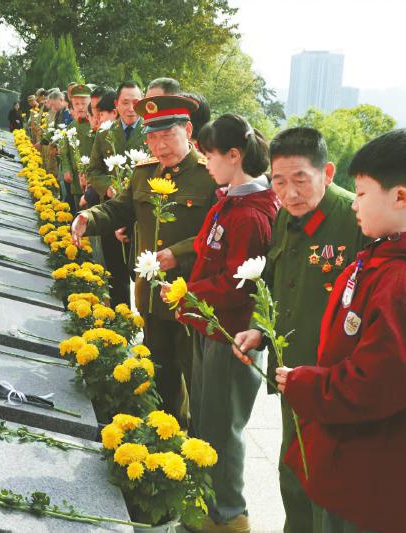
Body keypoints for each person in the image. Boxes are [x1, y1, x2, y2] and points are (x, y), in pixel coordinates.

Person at [277, 129, 406, 533]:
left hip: (373, 479)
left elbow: (379, 381)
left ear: (400, 197)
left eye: (361, 193)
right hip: (354, 461)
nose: (354, 204)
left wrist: (308, 385)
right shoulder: (386, 255)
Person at [232, 127, 369, 533]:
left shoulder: (355, 220)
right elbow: (275, 280)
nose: (289, 193)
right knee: (293, 469)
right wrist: (259, 329)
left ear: (327, 172)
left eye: (300, 180)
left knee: (325, 480)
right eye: (279, 181)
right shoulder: (283, 216)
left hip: (334, 381)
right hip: (293, 373)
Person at [73, 94, 218, 420]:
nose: (159, 146)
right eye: (152, 137)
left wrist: (178, 254)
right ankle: (166, 438)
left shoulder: (210, 176)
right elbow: (118, 209)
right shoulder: (144, 173)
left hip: (191, 299)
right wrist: (88, 218)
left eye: (167, 135)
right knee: (161, 380)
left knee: (198, 386)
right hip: (152, 298)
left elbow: (218, 235)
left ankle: (193, 440)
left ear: (188, 131)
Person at [170, 114, 279, 533]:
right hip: (210, 327)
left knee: (222, 427)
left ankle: (229, 514)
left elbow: (239, 285)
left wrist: (189, 294)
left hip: (233, 335)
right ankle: (208, 504)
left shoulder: (251, 213)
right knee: (204, 421)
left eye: (210, 155)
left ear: (234, 155)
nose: (205, 163)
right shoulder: (229, 201)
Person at [85, 82, 148, 307]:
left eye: (136, 102)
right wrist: (108, 187)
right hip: (111, 211)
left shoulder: (150, 133)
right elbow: (93, 171)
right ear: (116, 104)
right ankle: (120, 318)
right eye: (125, 102)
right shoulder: (105, 133)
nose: (131, 108)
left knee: (141, 276)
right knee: (115, 272)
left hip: (140, 215)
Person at [60, 84, 94, 212]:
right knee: (78, 212)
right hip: (76, 181)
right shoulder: (71, 126)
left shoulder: (96, 125)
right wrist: (66, 169)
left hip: (93, 183)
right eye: (77, 104)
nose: (80, 107)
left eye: (84, 103)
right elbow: (64, 152)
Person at [82, 90, 118, 209]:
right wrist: (107, 187)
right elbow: (94, 170)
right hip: (107, 199)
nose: (99, 119)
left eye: (101, 115)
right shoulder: (102, 134)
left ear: (114, 112)